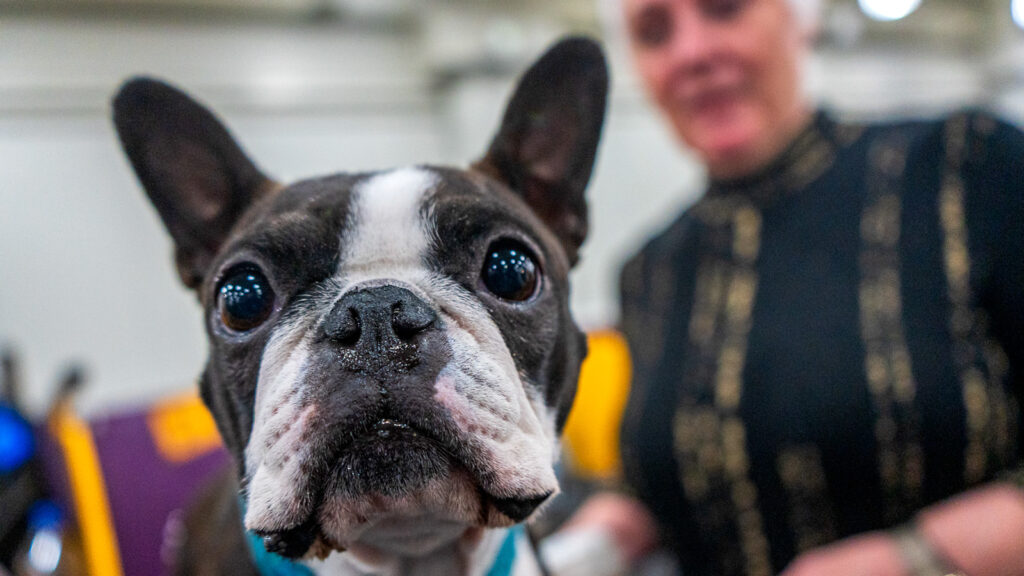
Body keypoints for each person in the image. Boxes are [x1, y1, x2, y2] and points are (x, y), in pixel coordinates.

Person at [563, 0, 1024, 575]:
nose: (692, 52)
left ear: (801, 17)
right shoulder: (651, 268)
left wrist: (914, 557)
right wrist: (569, 552)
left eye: (724, 9)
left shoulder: (966, 168)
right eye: (654, 33)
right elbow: (672, 482)